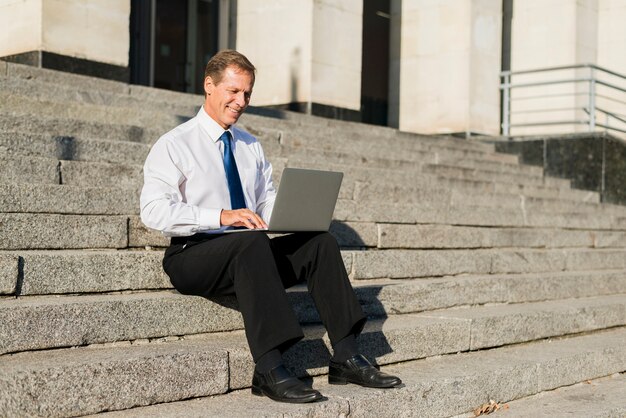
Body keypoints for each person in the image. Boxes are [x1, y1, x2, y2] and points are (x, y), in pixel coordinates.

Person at [140, 49, 401, 404]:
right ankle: (268, 368)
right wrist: (221, 216)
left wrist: (299, 211)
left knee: (320, 243)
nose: (241, 101)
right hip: (193, 254)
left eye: (247, 93)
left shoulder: (250, 146)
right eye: (233, 91)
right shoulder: (175, 144)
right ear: (209, 85)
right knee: (249, 243)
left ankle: (346, 356)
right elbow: (153, 211)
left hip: (250, 253)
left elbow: (265, 204)